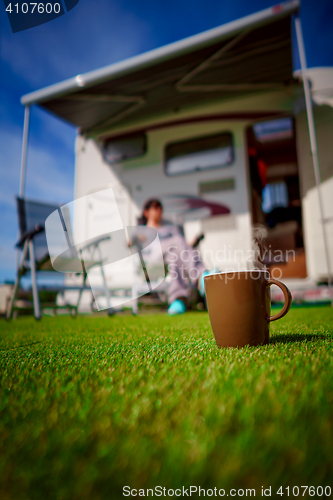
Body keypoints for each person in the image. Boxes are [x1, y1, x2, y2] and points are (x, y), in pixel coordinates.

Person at [132, 198, 211, 315]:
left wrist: (193, 243)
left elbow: (183, 247)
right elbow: (129, 241)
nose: (159, 209)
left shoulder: (170, 228)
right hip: (151, 261)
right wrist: (135, 239)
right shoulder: (141, 231)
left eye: (160, 207)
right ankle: (202, 276)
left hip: (169, 258)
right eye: (155, 207)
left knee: (175, 256)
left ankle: (179, 299)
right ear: (146, 212)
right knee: (177, 241)